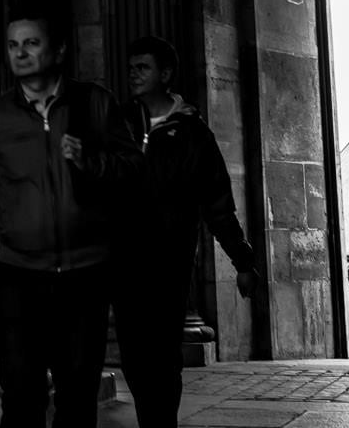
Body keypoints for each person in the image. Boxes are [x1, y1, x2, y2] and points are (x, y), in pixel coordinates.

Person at [0, 12, 141, 428]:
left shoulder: (95, 103)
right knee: (21, 400)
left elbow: (134, 171)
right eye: (13, 45)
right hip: (20, 278)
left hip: (85, 277)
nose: (20, 53)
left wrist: (90, 161)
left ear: (57, 50)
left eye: (31, 43)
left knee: (77, 401)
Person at [116, 35, 259, 428]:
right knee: (132, 354)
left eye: (142, 67)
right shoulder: (119, 124)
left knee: (161, 353)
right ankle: (153, 419)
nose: (133, 74)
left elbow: (218, 205)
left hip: (169, 261)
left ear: (165, 74)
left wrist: (243, 261)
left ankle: (160, 423)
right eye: (131, 67)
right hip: (123, 260)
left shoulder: (194, 135)